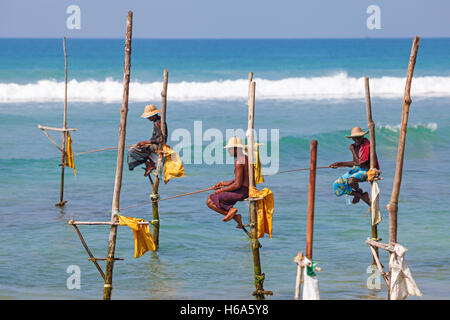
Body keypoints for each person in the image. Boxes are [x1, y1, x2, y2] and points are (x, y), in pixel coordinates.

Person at [330, 126, 379, 206]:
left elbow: (359, 163)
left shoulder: (366, 146)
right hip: (357, 169)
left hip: (366, 171)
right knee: (337, 184)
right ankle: (359, 194)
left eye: (358, 137)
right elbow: (355, 163)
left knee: (351, 181)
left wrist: (352, 150)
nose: (356, 140)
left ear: (362, 136)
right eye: (354, 138)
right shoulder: (356, 146)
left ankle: (360, 194)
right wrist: (339, 164)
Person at [206, 137, 249, 228]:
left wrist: (221, 190)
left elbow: (237, 185)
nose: (229, 151)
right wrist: (223, 183)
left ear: (236, 149)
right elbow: (241, 180)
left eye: (230, 149)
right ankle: (235, 216)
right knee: (215, 197)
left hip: (242, 192)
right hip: (245, 189)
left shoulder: (239, 162)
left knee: (210, 200)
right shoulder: (246, 158)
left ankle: (232, 212)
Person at [127, 104, 167, 176]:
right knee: (138, 148)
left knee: (133, 150)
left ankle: (150, 164)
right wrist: (146, 143)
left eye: (149, 116)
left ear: (153, 115)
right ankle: (150, 163)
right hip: (154, 144)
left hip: (158, 146)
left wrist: (145, 142)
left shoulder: (157, 123)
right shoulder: (157, 121)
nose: (148, 118)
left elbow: (160, 139)